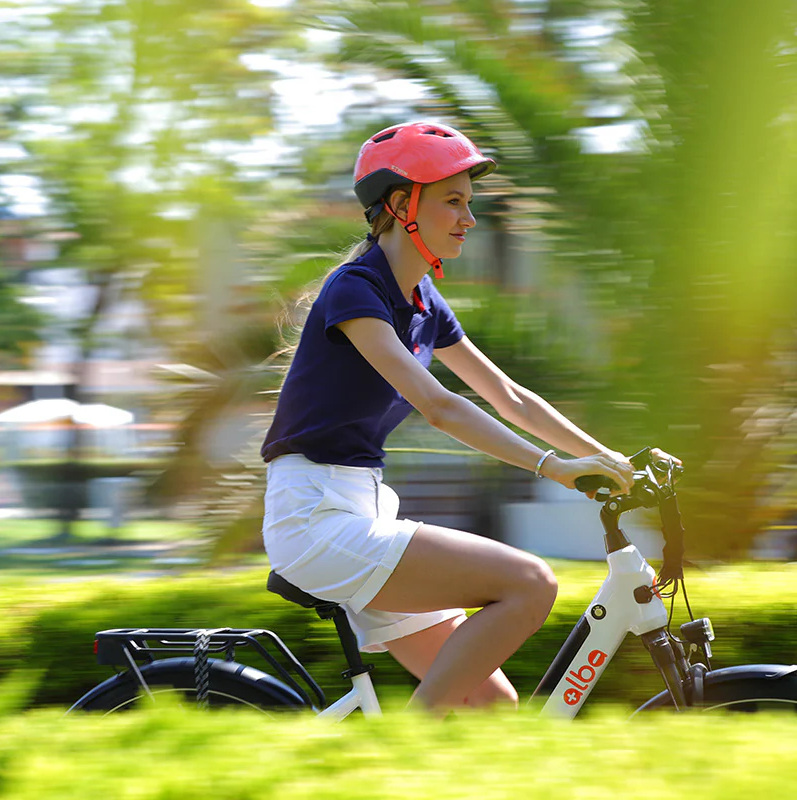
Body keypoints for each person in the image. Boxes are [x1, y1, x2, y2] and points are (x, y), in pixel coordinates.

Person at [260, 121, 676, 713]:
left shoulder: (424, 301)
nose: (468, 218)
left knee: (488, 709)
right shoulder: (356, 291)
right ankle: (405, 755)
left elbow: (509, 395)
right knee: (530, 584)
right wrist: (554, 467)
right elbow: (440, 404)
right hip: (317, 518)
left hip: (364, 509)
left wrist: (608, 458)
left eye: (468, 203)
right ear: (403, 205)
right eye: (452, 201)